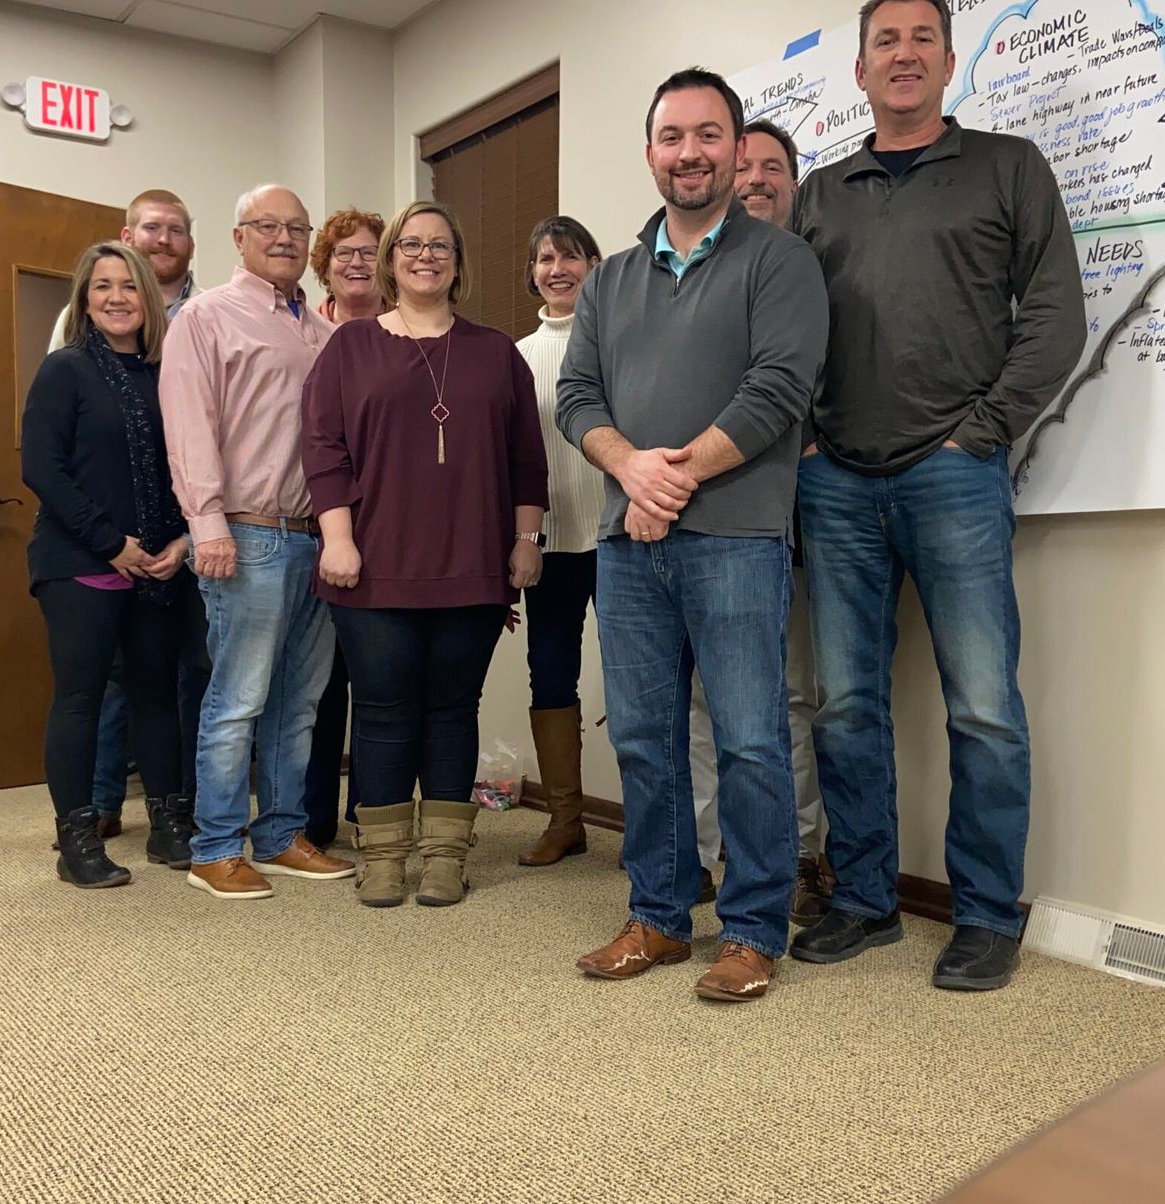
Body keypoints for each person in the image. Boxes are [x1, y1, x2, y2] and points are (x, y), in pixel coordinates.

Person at [790, 0, 1086, 989]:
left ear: (951, 64)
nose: (904, 54)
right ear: (861, 69)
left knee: (983, 708)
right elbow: (788, 336)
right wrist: (805, 441)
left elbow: (1055, 319)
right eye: (886, 41)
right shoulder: (820, 194)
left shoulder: (1009, 168)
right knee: (843, 707)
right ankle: (868, 902)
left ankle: (988, 916)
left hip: (953, 479)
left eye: (924, 38)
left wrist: (983, 435)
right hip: (835, 489)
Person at [557, 68, 827, 1003]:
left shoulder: (778, 262)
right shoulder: (613, 280)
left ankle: (753, 929)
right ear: (650, 153)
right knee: (642, 735)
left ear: (735, 148)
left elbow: (779, 389)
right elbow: (575, 398)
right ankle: (661, 918)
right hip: (628, 545)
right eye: (673, 136)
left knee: (751, 738)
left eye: (709, 135)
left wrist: (669, 478)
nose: (691, 153)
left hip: (739, 538)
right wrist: (631, 469)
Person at [302, 200, 549, 909]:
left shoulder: (496, 352)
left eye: (440, 244)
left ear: (458, 261)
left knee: (452, 711)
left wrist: (526, 541)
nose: (425, 255)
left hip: (473, 564)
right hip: (373, 565)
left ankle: (444, 854)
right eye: (410, 243)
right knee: (381, 713)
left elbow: (525, 461)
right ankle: (383, 857)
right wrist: (338, 539)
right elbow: (324, 452)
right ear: (390, 259)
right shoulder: (348, 348)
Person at [160, 184, 354, 900]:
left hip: (316, 539)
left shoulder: (323, 333)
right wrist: (206, 523)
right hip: (245, 533)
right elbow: (188, 425)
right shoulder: (205, 318)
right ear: (238, 238)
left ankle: (278, 834)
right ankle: (214, 847)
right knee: (238, 699)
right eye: (266, 226)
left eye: (295, 228)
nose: (283, 238)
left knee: (297, 704)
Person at [685, 119, 833, 923]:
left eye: (773, 167)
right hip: (708, 517)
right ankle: (715, 856)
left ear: (793, 184)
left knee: (786, 700)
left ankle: (800, 854)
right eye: (744, 167)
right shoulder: (693, 280)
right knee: (709, 703)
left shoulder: (810, 270)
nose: (756, 180)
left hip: (800, 522)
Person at [20, 242, 192, 888]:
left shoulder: (171, 372)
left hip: (161, 563)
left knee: (157, 696)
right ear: (85, 301)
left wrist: (178, 542)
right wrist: (113, 543)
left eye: (128, 285)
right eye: (102, 287)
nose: (116, 297)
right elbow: (42, 469)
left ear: (149, 297)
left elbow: (188, 465)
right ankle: (77, 840)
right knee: (82, 700)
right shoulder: (65, 371)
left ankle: (168, 827)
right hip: (82, 561)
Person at [513, 216, 607, 868]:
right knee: (550, 677)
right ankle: (565, 819)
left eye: (571, 256)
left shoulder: (618, 341)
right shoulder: (515, 357)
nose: (558, 269)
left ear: (596, 266)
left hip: (621, 537)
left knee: (639, 684)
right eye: (546, 258)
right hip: (547, 542)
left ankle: (657, 828)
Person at [303, 208, 387, 850]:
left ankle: (371, 813)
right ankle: (310, 817)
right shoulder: (303, 332)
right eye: (344, 254)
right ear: (323, 264)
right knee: (319, 682)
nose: (357, 263)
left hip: (388, 527)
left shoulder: (407, 331)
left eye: (369, 252)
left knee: (379, 684)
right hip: (316, 525)